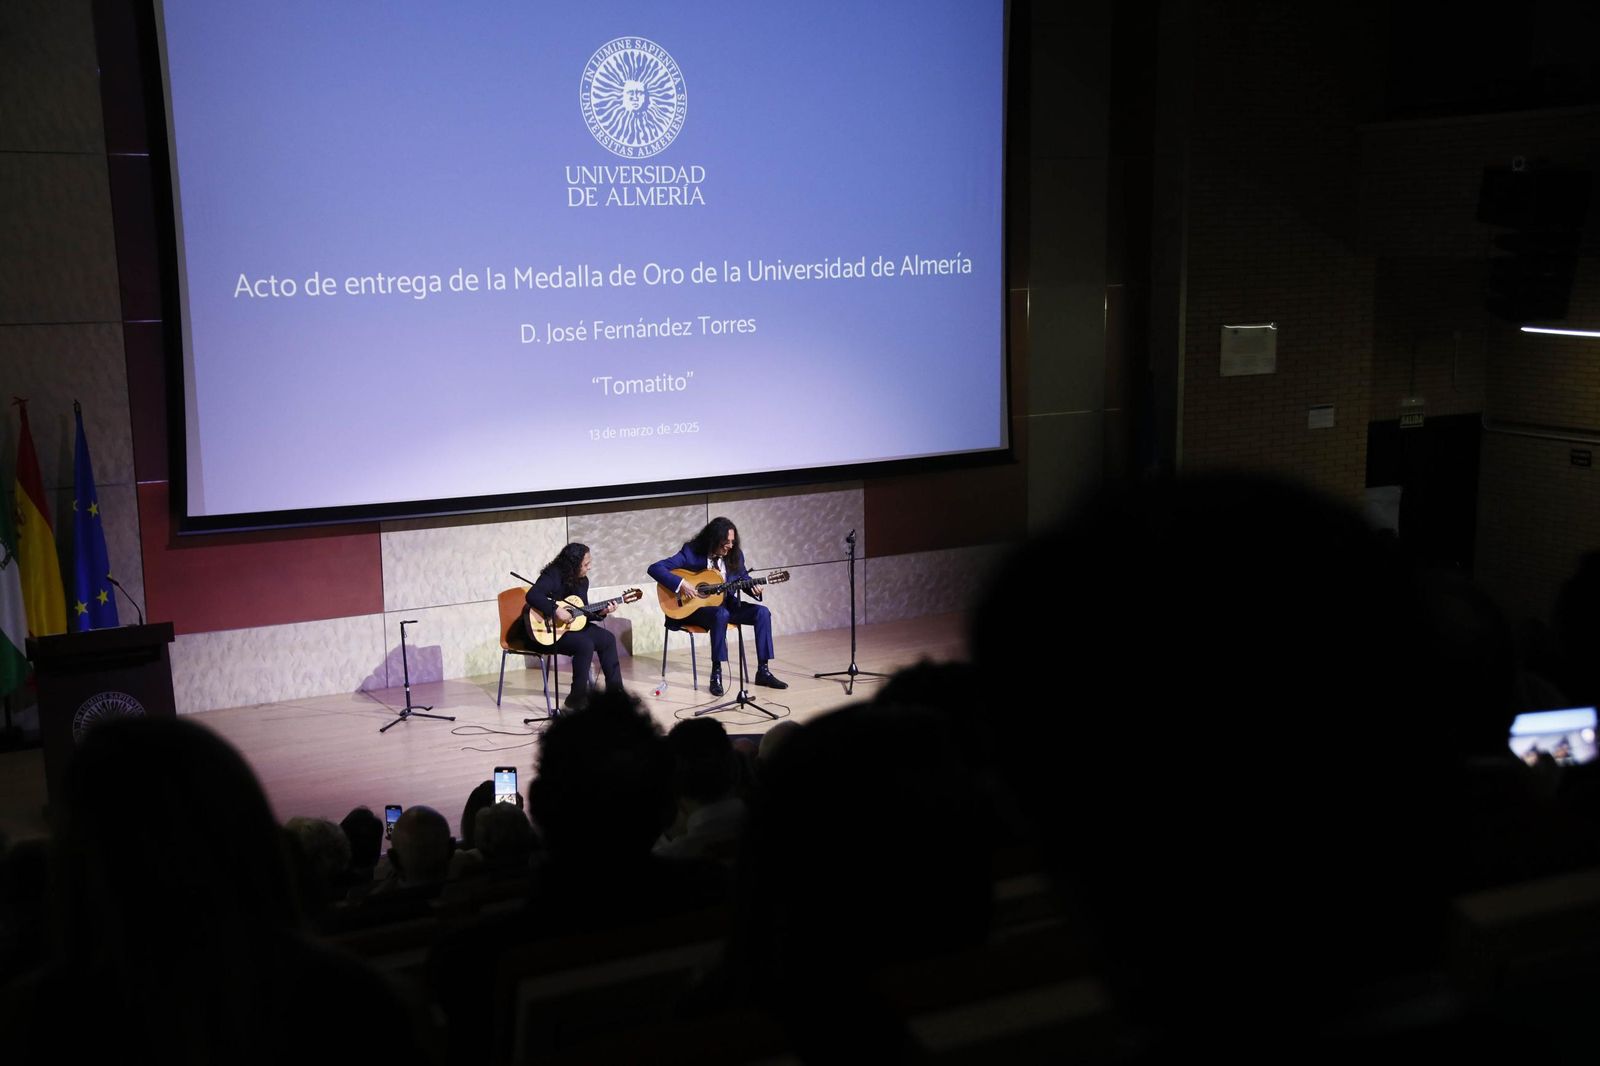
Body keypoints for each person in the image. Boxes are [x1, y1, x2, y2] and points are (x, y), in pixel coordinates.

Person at [648, 516, 785, 696]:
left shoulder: (735, 555)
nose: (730, 546)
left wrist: (754, 589)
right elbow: (655, 568)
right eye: (726, 542)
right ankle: (716, 674)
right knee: (721, 615)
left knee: (762, 612)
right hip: (695, 609)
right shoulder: (691, 552)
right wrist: (682, 584)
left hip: (726, 605)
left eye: (732, 542)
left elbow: (743, 578)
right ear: (713, 539)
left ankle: (763, 671)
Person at [526, 542, 624, 712]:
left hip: (571, 628)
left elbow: (582, 612)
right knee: (584, 644)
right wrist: (556, 610)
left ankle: (616, 695)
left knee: (607, 639)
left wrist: (602, 612)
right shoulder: (553, 574)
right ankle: (576, 699)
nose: (589, 567)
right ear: (573, 563)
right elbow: (533, 595)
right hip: (548, 631)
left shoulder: (582, 581)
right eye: (586, 564)